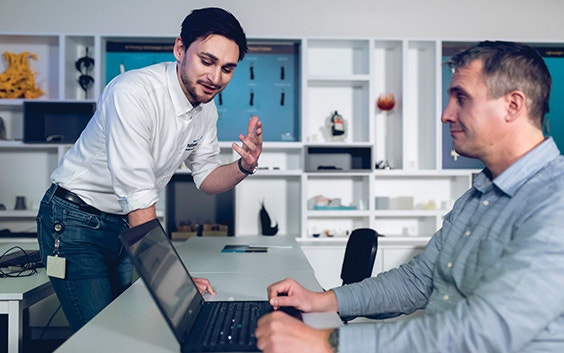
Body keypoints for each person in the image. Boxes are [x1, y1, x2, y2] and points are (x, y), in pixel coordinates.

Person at [255, 40, 564, 352]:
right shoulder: (477, 196)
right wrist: (320, 300)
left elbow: (485, 330)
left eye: (462, 98)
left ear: (513, 105)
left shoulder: (556, 200)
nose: (446, 114)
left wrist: (328, 342)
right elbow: (418, 281)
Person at [36, 7, 262, 332]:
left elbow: (208, 178)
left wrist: (244, 166)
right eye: (207, 61)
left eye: (227, 68)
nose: (216, 78)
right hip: (75, 222)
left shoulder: (206, 108)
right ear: (180, 49)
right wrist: (175, 284)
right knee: (102, 333)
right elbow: (139, 199)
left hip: (124, 225)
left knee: (130, 325)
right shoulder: (132, 93)